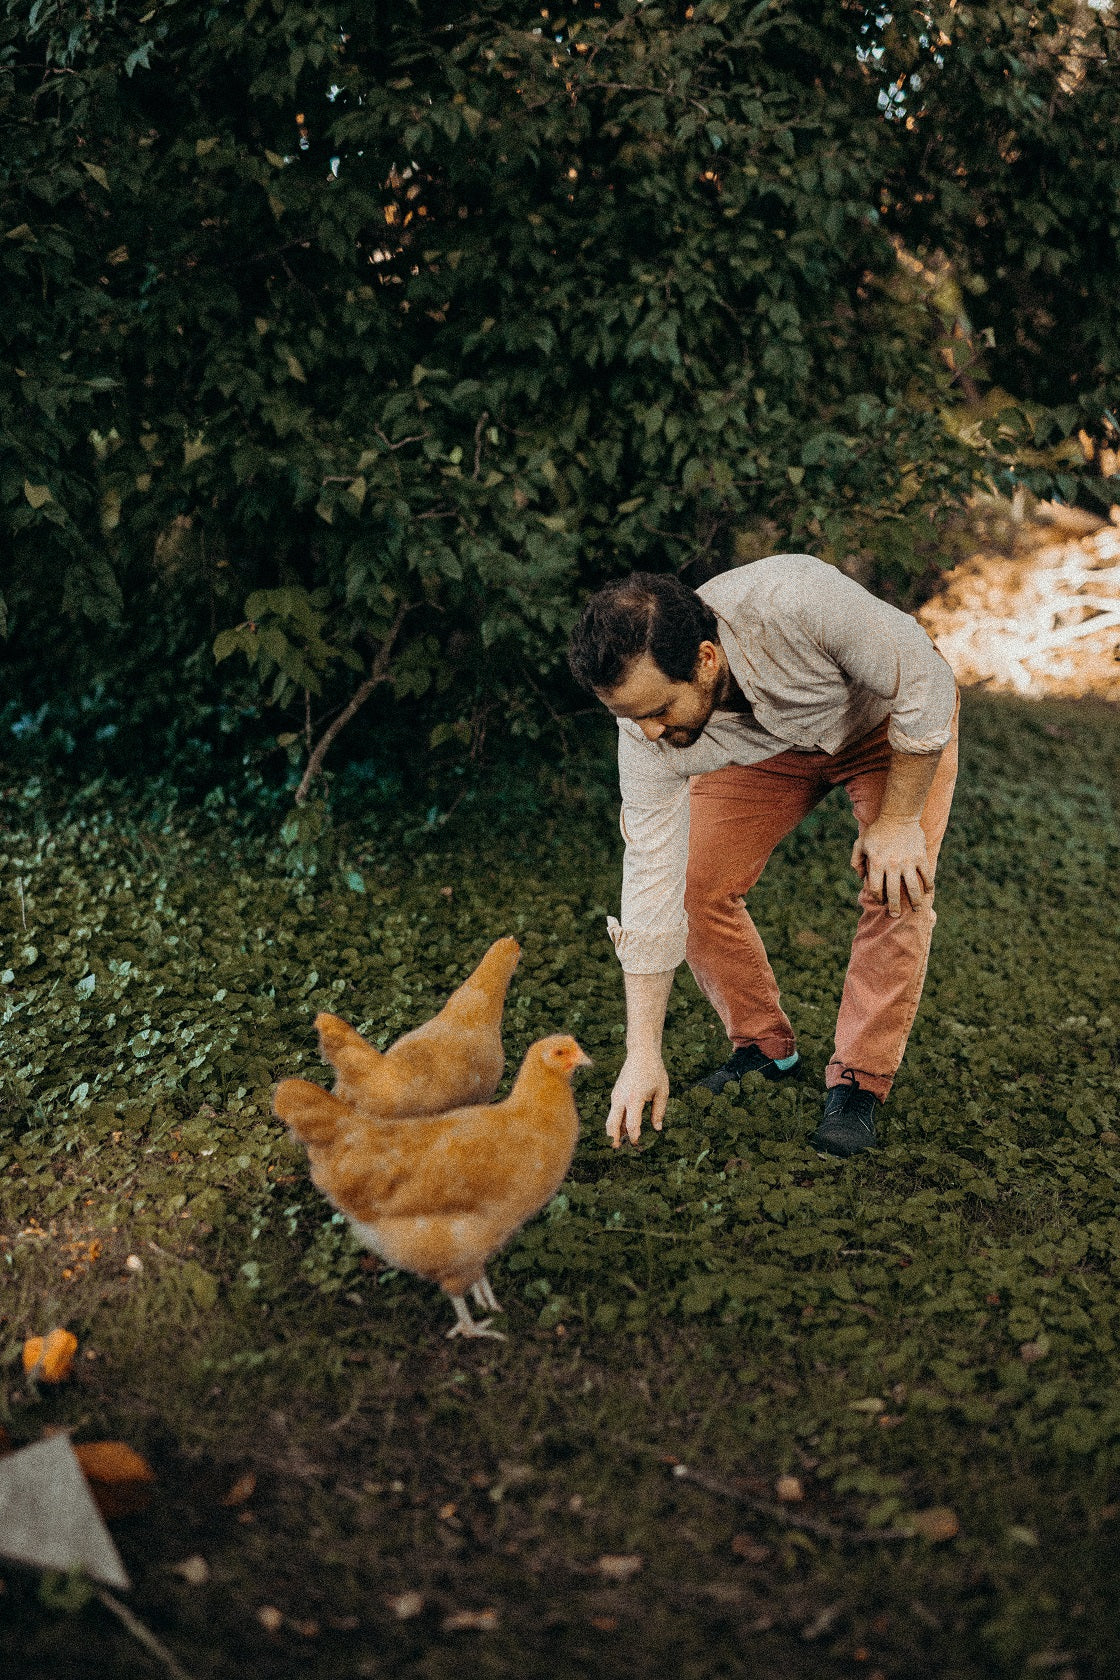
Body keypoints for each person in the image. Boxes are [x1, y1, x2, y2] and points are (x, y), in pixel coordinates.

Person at [567, 555, 960, 1158]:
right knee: (694, 883)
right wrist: (642, 1052)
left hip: (886, 726)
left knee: (897, 884)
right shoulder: (648, 734)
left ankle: (860, 1079)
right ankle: (762, 1048)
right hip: (772, 750)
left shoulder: (797, 600)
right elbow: (651, 880)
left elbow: (925, 680)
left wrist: (899, 819)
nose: (646, 733)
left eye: (656, 711)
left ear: (705, 660)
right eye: (628, 717)